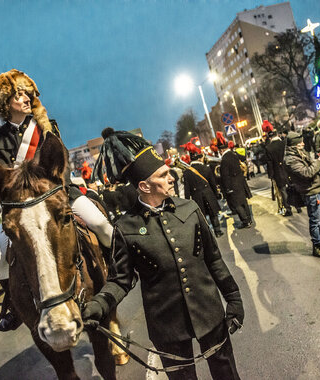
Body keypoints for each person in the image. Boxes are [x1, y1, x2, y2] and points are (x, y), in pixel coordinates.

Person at [83, 129, 244, 380]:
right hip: (167, 325)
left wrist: (233, 298)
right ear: (145, 186)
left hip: (209, 311)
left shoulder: (190, 209)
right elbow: (120, 279)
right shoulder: (125, 228)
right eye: (164, 175)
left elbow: (214, 259)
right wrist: (98, 305)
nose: (172, 178)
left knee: (227, 374)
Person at [0, 69, 114, 331]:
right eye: (18, 94)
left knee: (102, 225)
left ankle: (117, 273)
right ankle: (13, 303)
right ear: (6, 104)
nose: (26, 98)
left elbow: (59, 165)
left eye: (27, 93)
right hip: (22, 207)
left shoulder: (48, 127)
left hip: (57, 196)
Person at [284, 132, 320, 258]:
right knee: (314, 220)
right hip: (309, 191)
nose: (303, 143)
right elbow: (307, 173)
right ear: (293, 145)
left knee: (319, 217)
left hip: (315, 188)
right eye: (300, 142)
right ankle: (317, 246)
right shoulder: (290, 159)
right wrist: (319, 161)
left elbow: (311, 165)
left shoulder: (299, 153)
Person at [182, 142, 224, 237]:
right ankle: (217, 231)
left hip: (197, 196)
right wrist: (216, 194)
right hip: (208, 193)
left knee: (203, 216)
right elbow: (213, 183)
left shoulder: (187, 172)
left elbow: (187, 190)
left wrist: (188, 201)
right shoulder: (206, 168)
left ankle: (208, 235)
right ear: (199, 158)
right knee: (213, 214)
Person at [217, 132, 254, 229]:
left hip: (233, 185)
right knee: (244, 202)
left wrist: (227, 188)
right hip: (240, 182)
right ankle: (249, 219)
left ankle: (245, 221)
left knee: (237, 204)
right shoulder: (233, 154)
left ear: (221, 150)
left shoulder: (224, 159)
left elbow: (225, 176)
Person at [265, 130, 294, 216]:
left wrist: (271, 175)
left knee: (283, 190)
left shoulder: (268, 148)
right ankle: (298, 206)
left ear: (270, 138)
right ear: (277, 135)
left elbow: (269, 163)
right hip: (289, 168)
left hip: (278, 171)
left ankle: (288, 209)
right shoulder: (284, 143)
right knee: (292, 186)